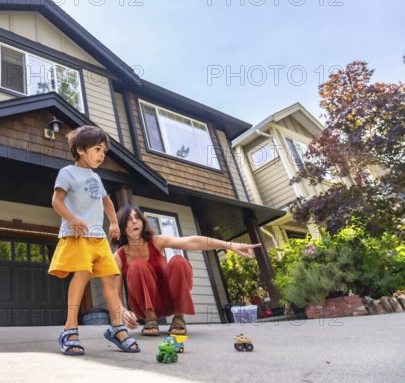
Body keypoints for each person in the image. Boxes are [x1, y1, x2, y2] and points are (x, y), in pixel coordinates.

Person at [48, 126, 139, 356]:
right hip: (77, 236)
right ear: (80, 149)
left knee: (110, 280)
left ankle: (117, 328)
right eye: (97, 149)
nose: (102, 154)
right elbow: (56, 201)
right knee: (81, 276)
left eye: (104, 150)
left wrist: (114, 223)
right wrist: (72, 219)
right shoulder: (67, 173)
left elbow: (107, 201)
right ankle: (70, 329)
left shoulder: (96, 177)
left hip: (98, 238)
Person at [113, 205, 260, 336]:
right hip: (142, 307)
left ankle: (178, 317)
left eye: (137, 217)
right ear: (121, 227)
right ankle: (150, 317)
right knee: (138, 265)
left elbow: (192, 241)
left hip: (170, 300)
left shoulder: (156, 241)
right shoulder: (119, 256)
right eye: (129, 219)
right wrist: (123, 311)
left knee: (178, 260)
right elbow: (115, 292)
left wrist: (229, 245)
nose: (134, 221)